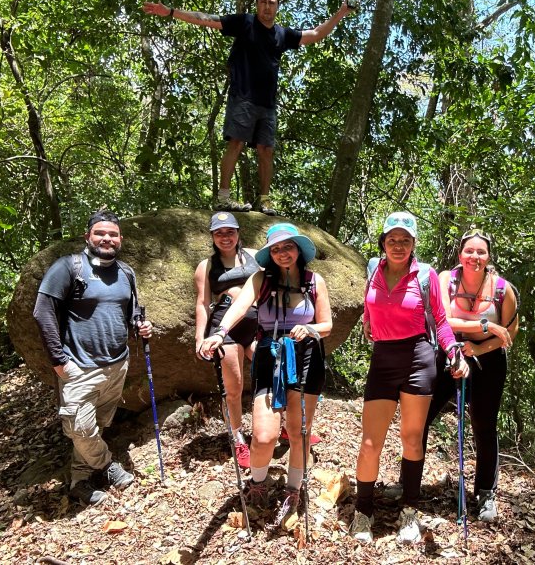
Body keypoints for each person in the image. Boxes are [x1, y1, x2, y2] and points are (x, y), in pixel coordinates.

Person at [143, 0, 352, 215]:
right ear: (256, 4)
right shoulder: (245, 23)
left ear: (277, 6)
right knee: (236, 143)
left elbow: (316, 34)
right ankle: (223, 197)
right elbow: (207, 19)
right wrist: (171, 11)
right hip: (242, 97)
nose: (266, 7)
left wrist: (341, 12)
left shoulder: (282, 34)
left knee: (266, 150)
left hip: (268, 104)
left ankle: (265, 201)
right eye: (262, 2)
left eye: (271, 2)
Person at [199, 223, 332, 532]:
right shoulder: (261, 280)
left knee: (299, 431)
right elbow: (239, 306)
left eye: (288, 247)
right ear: (270, 254)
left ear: (299, 250)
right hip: (269, 357)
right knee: (264, 435)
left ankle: (292, 489)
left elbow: (326, 324)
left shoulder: (314, 282)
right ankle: (258, 483)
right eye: (276, 249)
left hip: (307, 357)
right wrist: (220, 332)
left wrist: (311, 328)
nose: (282, 253)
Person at [351, 211, 470, 545]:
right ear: (383, 243)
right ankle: (363, 511)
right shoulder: (374, 270)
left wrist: (453, 353)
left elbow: (442, 321)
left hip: (419, 357)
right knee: (370, 442)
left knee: (412, 438)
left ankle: (409, 512)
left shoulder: (426, 275)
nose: (398, 246)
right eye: (392, 240)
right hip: (383, 358)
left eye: (405, 240)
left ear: (414, 243)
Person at [33, 210, 153, 505]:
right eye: (100, 233)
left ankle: (79, 480)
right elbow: (43, 311)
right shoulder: (69, 267)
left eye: (112, 234)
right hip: (79, 365)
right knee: (81, 427)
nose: (106, 239)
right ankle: (107, 466)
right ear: (88, 236)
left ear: (120, 239)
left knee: (96, 426)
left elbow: (132, 311)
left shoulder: (126, 272)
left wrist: (140, 325)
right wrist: (58, 360)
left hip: (116, 364)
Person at [422, 229, 518, 523]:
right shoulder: (445, 280)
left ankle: (486, 492)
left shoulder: (503, 289)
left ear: (488, 257)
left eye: (481, 252)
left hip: (487, 360)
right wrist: (487, 326)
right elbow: (441, 318)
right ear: (460, 254)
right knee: (421, 416)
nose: (474, 257)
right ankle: (409, 480)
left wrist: (478, 345)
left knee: (484, 425)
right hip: (447, 354)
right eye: (469, 251)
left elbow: (510, 333)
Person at [193, 212, 260, 468]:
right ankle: (238, 438)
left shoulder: (255, 256)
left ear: (238, 232)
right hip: (226, 330)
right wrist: (201, 338)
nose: (225, 237)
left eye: (230, 231)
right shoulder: (207, 266)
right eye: (219, 233)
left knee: (276, 375)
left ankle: (283, 425)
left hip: (257, 327)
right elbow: (202, 303)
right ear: (212, 236)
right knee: (234, 389)